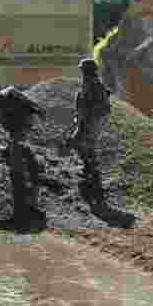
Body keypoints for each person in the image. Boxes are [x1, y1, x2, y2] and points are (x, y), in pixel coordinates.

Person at [0, 83, 46, 226]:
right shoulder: (12, 93)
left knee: (17, 174)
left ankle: (20, 213)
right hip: (29, 130)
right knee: (29, 165)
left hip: (20, 133)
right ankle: (31, 206)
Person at [67, 58, 113, 206]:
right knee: (86, 146)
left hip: (93, 120)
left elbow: (87, 108)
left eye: (83, 70)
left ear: (86, 71)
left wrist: (81, 126)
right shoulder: (96, 83)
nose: (82, 73)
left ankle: (92, 177)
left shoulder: (90, 84)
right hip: (97, 119)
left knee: (85, 146)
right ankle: (91, 174)